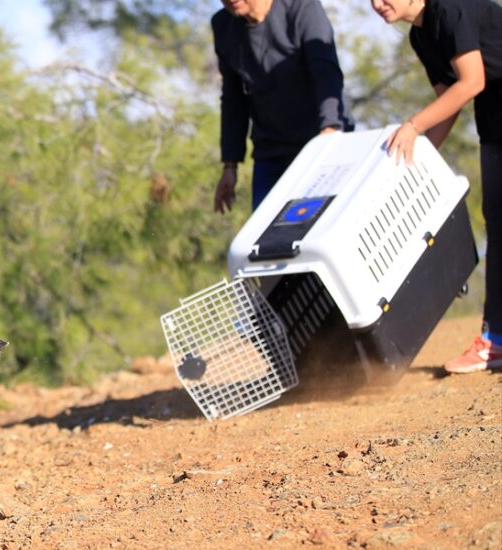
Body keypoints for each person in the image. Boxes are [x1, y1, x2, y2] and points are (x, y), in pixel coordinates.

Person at [373, 0, 502, 373]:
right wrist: (418, 163)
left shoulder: (451, 8)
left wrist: (413, 125)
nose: (377, 4)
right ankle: (495, 341)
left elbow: (472, 80)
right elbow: (451, 98)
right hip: (494, 120)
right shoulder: (420, 35)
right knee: (497, 226)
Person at [212, 0, 356, 214]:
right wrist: (230, 165)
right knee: (269, 240)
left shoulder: (302, 6)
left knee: (327, 227)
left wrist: (330, 129)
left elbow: (325, 71)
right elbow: (234, 99)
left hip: (322, 143)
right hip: (271, 153)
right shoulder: (223, 25)